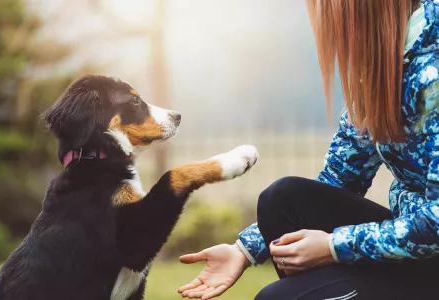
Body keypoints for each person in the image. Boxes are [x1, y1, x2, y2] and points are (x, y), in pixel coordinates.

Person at [177, 0, 439, 299]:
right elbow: (341, 177)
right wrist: (244, 250)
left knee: (277, 298)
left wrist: (333, 247)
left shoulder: (433, 71)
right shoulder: (388, 66)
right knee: (283, 198)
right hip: (419, 253)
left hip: (431, 249)